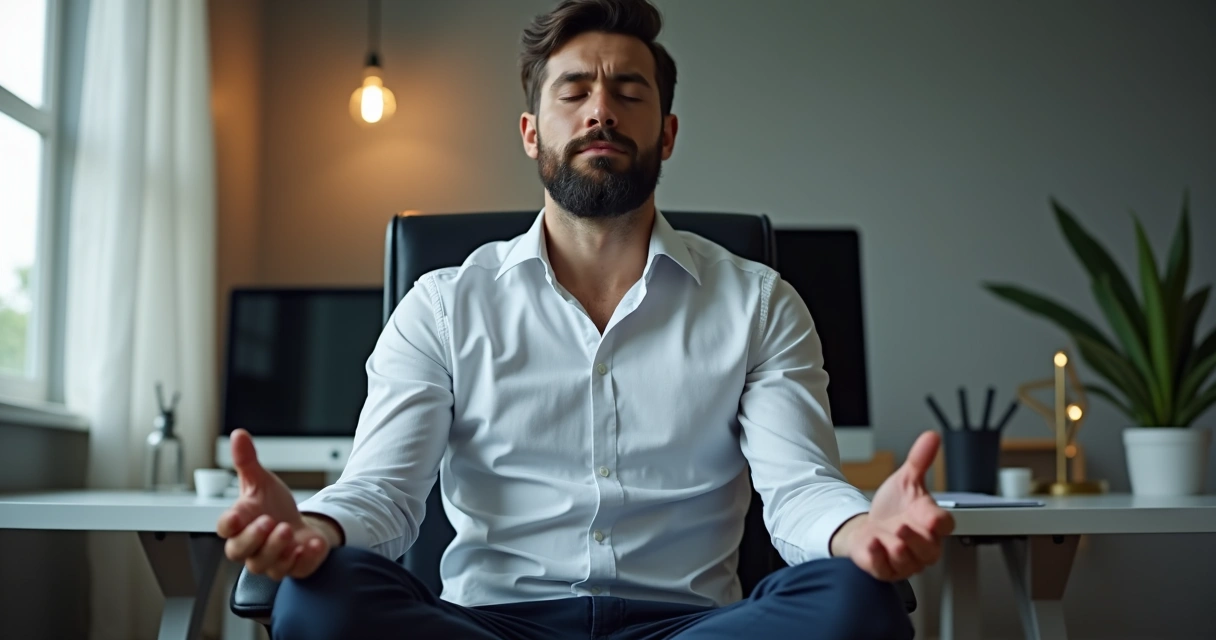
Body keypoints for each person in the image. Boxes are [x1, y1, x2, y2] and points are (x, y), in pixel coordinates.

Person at [217, 0, 954, 637]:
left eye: (628, 91)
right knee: (321, 597)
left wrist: (860, 529)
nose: (601, 108)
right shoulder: (444, 305)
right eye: (574, 91)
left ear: (666, 134)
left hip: (691, 627)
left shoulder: (759, 303)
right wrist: (310, 529)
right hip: (490, 625)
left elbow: (798, 489)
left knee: (857, 598)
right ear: (532, 132)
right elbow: (383, 493)